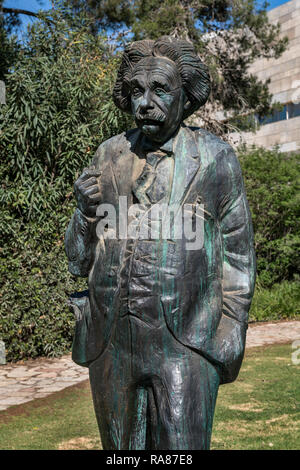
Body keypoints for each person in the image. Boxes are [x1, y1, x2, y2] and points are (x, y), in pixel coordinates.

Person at [65, 37, 256, 450]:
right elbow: (78, 262)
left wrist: (230, 331)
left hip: (187, 342)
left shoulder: (215, 158)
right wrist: (83, 213)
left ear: (186, 96)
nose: (145, 103)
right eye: (136, 91)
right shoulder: (109, 155)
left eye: (160, 90)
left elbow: (238, 256)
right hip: (112, 342)